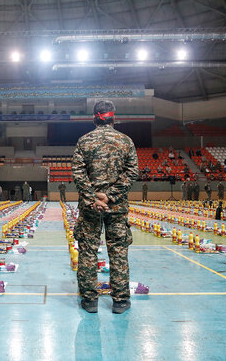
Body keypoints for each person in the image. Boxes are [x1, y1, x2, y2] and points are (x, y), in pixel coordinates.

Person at [72, 101, 138, 314]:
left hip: (90, 207)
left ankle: (90, 299)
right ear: (113, 118)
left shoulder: (84, 141)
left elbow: (78, 173)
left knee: (88, 250)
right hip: (117, 206)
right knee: (118, 249)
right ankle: (120, 300)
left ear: (94, 117)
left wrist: (93, 198)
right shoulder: (125, 141)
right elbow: (132, 172)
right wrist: (109, 196)